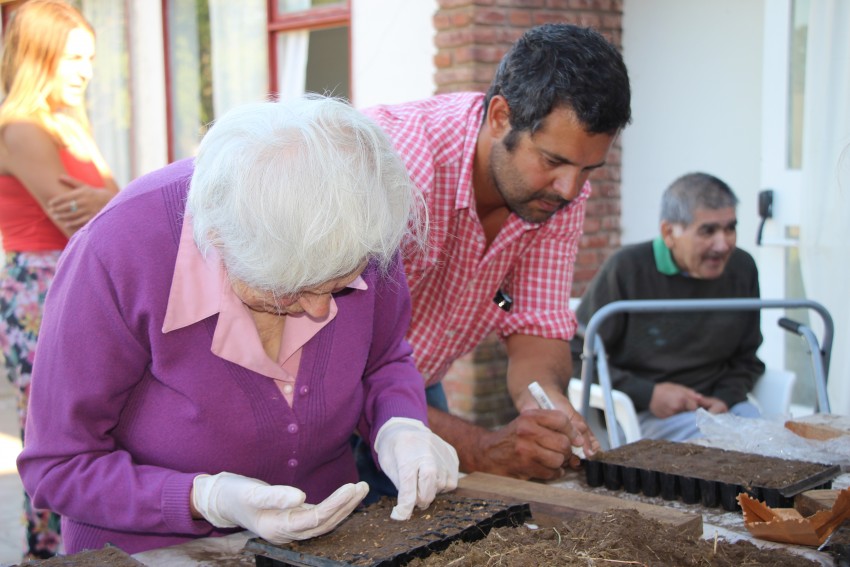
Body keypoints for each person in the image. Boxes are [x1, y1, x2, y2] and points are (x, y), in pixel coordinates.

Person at [17, 95, 459, 555]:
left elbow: (384, 359)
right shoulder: (115, 254)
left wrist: (399, 426)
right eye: (286, 291)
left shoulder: (354, 223)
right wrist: (204, 498)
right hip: (146, 553)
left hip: (326, 544)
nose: (316, 309)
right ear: (218, 239)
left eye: (339, 285)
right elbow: (59, 466)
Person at [358, 22, 632, 491]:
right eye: (553, 161)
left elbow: (536, 326)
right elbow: (336, 368)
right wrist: (481, 449)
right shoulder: (396, 170)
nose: (571, 188)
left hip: (417, 387)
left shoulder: (555, 197)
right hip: (318, 398)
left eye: (588, 169)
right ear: (501, 116)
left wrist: (546, 405)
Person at [0, 0, 118, 559]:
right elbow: (78, 216)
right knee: (54, 430)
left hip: (75, 282)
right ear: (39, 56)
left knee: (91, 419)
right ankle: (46, 552)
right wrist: (112, 201)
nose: (85, 69)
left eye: (90, 57)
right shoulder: (22, 127)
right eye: (73, 57)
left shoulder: (67, 123)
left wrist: (110, 201)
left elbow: (110, 207)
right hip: (39, 292)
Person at [573, 172, 765, 441]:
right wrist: (648, 393)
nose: (723, 245)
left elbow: (747, 357)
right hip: (644, 414)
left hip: (725, 409)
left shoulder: (742, 268)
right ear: (669, 233)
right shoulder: (627, 269)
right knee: (714, 457)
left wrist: (725, 397)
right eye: (707, 230)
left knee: (773, 448)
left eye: (730, 228)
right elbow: (575, 354)